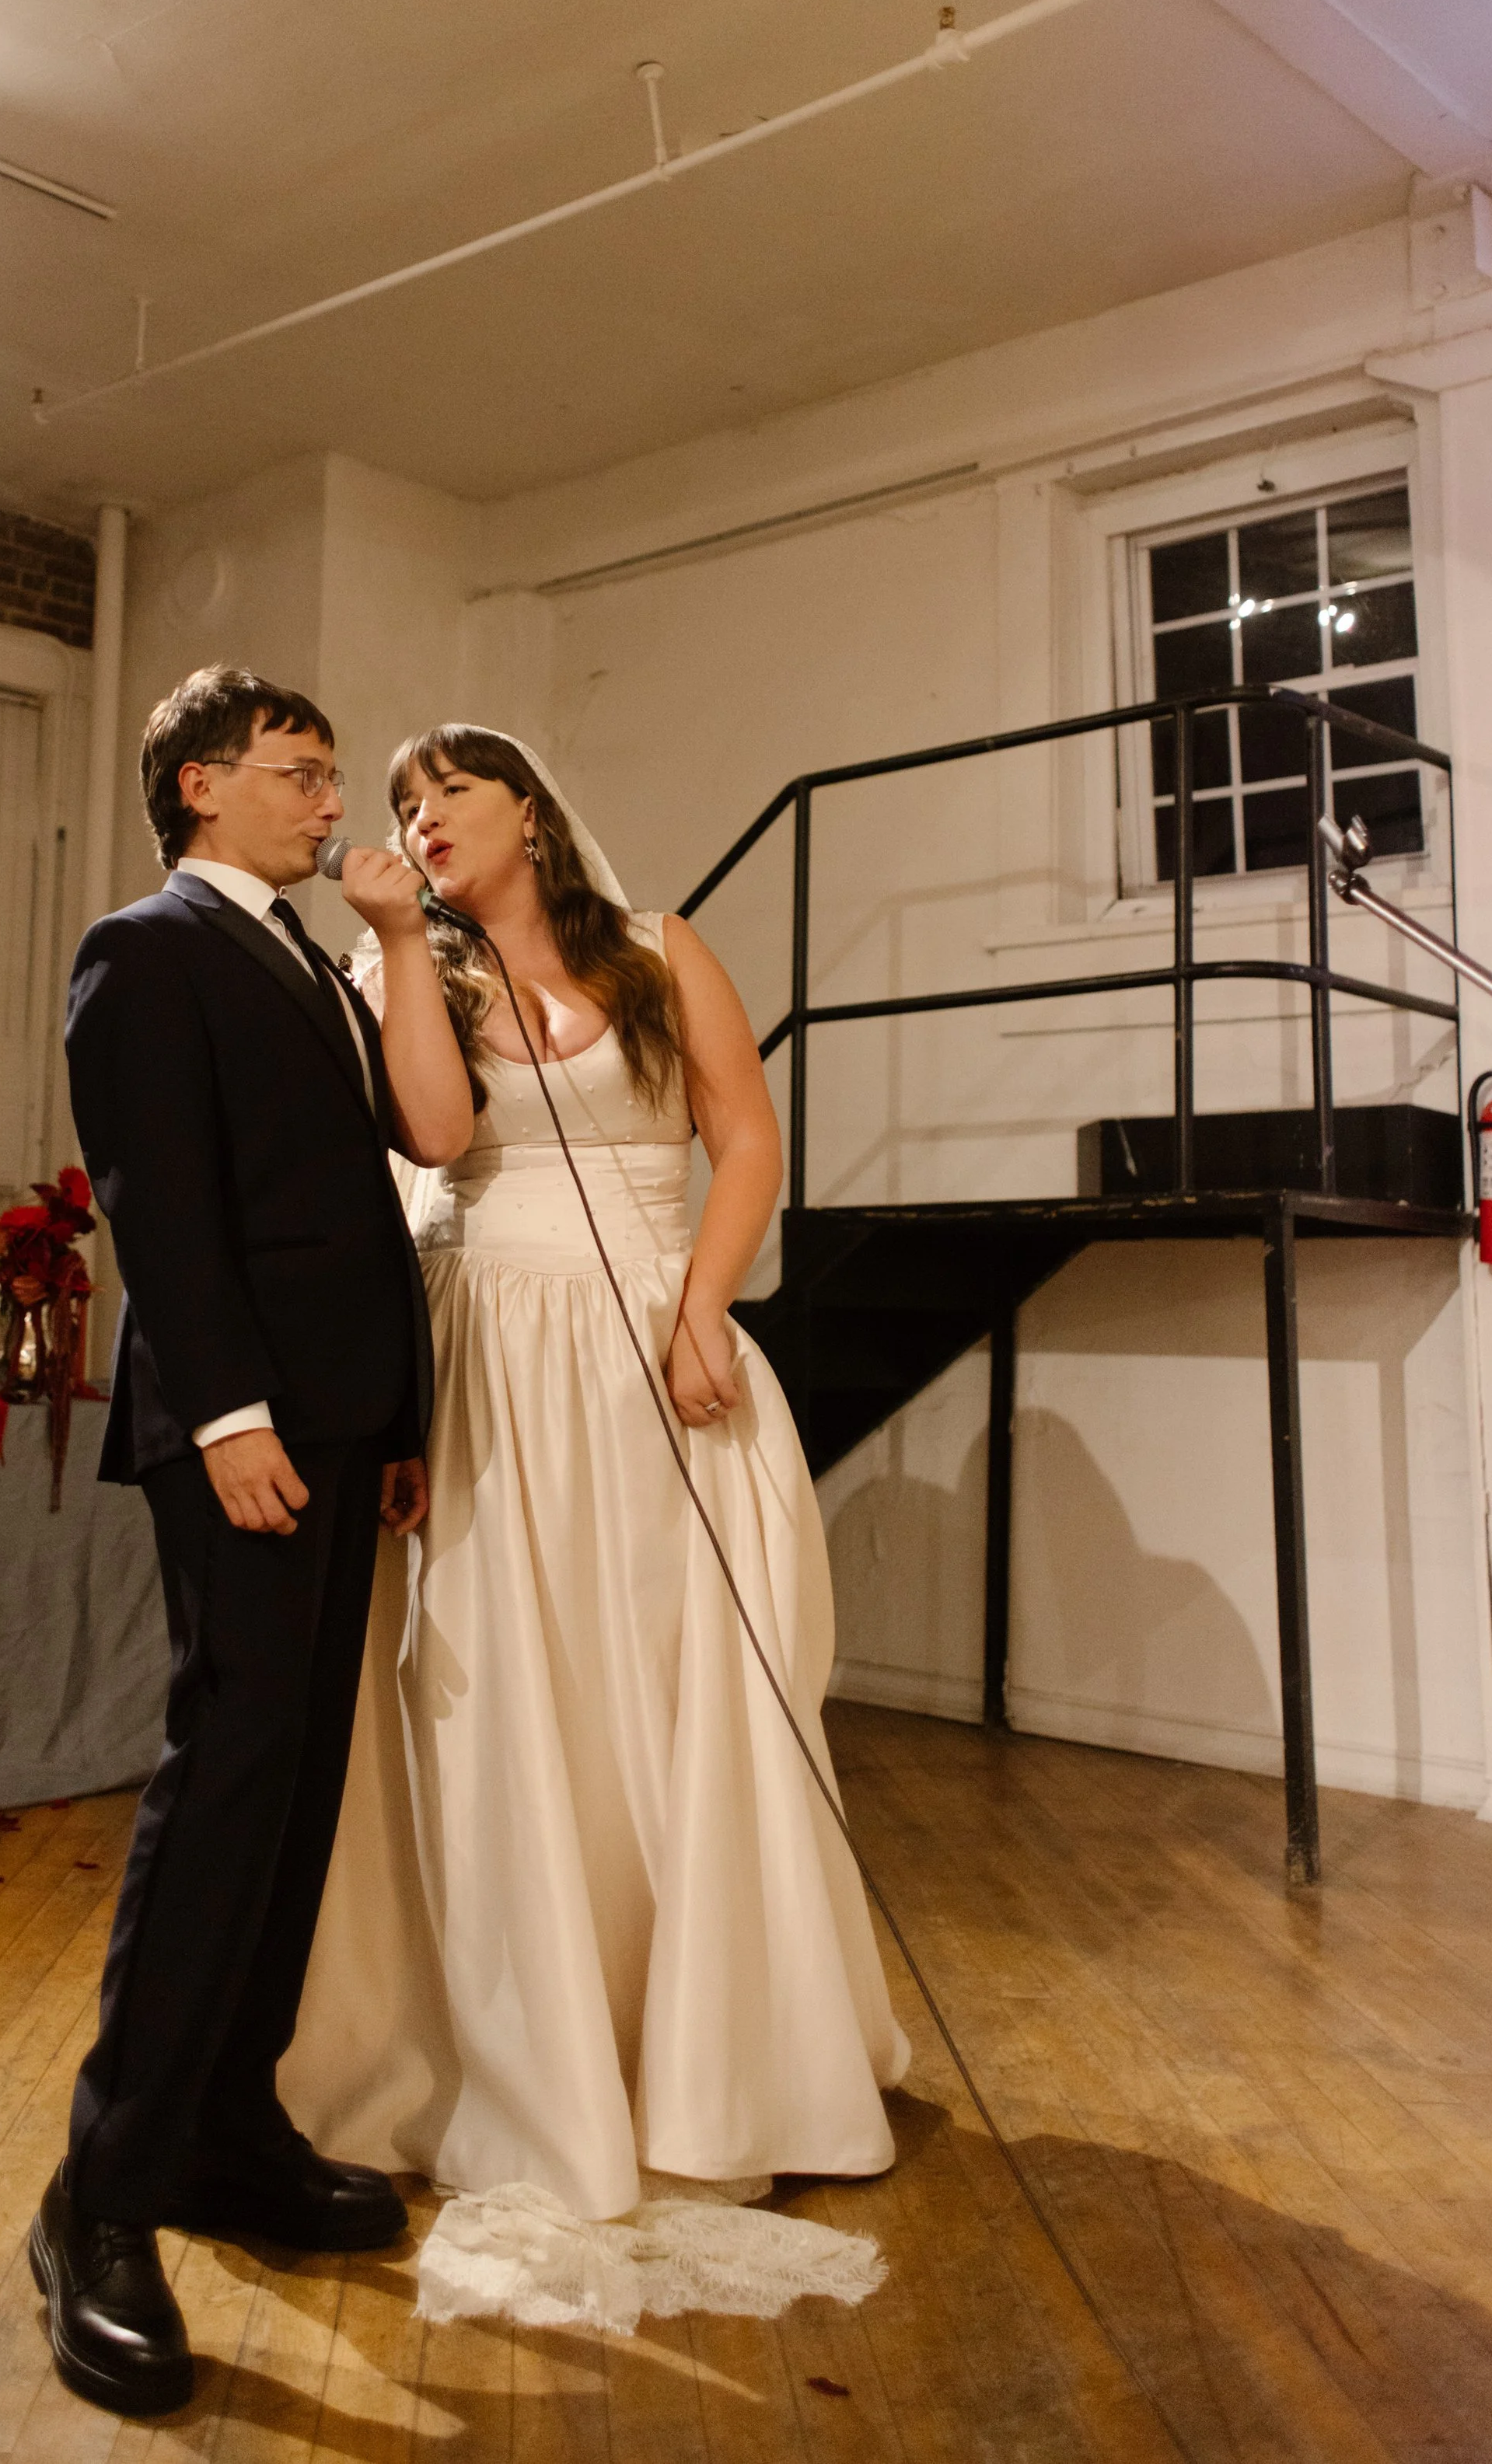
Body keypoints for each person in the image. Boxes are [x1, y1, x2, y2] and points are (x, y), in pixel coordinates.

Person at [279, 724, 910, 2301]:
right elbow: (429, 1139)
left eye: (450, 796)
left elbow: (743, 1136)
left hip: (653, 1343)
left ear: (530, 807)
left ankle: (711, 2064)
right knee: (512, 1713)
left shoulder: (657, 951)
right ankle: (537, 2061)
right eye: (404, 807)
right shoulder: (405, 972)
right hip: (488, 1356)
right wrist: (393, 947)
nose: (420, 823)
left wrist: (704, 1303)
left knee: (678, 1703)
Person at [29, 665, 473, 2418]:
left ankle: (227, 2131)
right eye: (297, 774)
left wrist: (399, 1422)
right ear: (203, 787)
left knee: (294, 1794)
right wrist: (226, 1418)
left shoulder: (305, 952)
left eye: (324, 775)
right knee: (225, 1782)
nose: (328, 801)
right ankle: (103, 2194)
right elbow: (163, 1200)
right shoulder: (143, 950)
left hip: (342, 1424)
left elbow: (379, 1190)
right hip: (249, 1437)